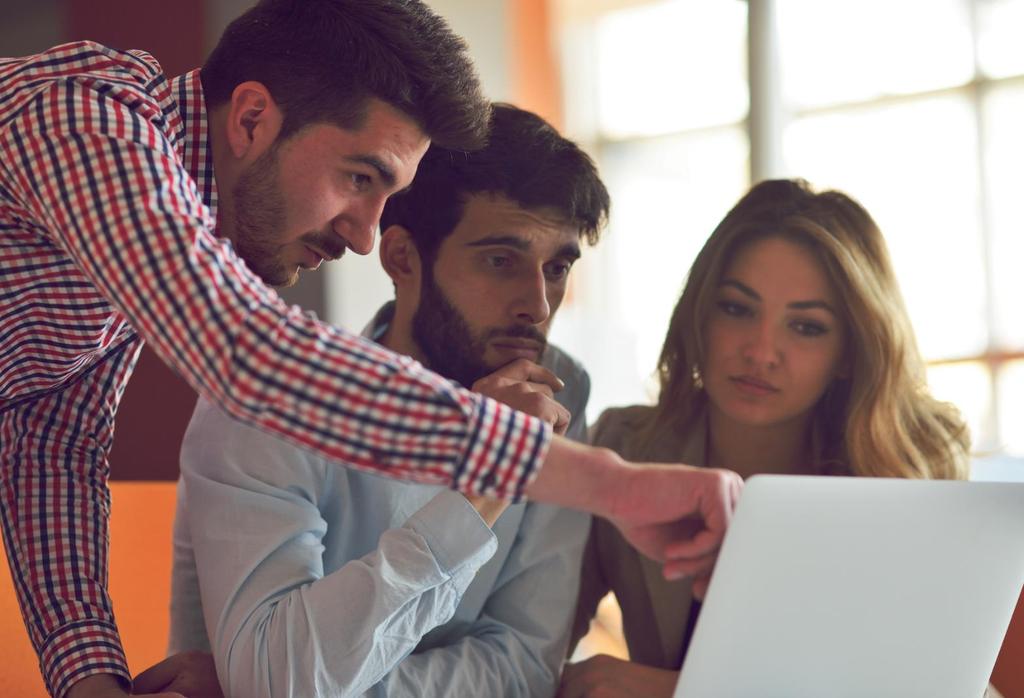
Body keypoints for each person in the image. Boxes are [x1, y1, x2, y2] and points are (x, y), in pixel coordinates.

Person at [0, 1, 741, 697]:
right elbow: (246, 353)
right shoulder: (82, 121)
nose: (363, 236)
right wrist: (604, 482)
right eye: (360, 177)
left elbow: (49, 439)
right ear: (253, 118)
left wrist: (88, 677)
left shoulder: (145, 228)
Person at [169, 103, 607, 697]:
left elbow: (526, 667)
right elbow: (284, 682)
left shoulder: (562, 389)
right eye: (500, 261)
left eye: (556, 268)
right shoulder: (268, 400)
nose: (539, 304)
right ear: (403, 258)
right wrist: (488, 482)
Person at [559, 178, 970, 698]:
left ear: (850, 350)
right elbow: (532, 641)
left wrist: (675, 692)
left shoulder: (915, 464)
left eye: (806, 327)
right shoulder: (625, 448)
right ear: (700, 314)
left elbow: (928, 686)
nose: (761, 351)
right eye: (736, 308)